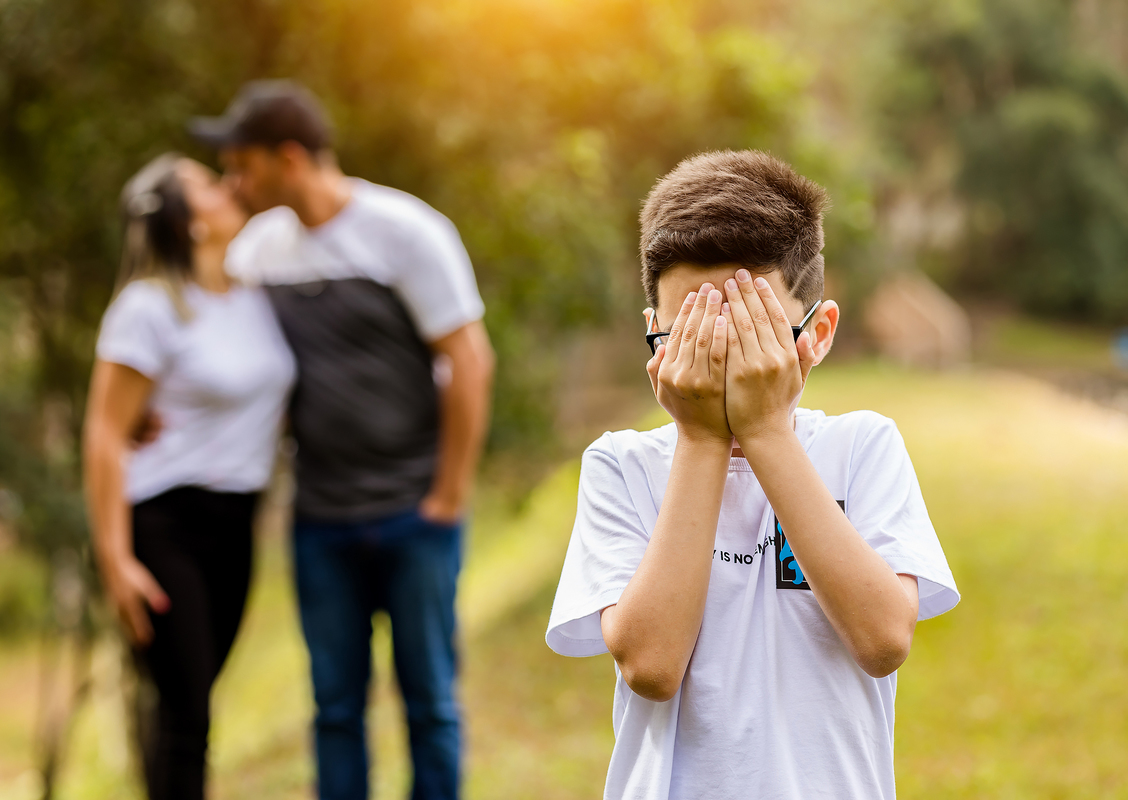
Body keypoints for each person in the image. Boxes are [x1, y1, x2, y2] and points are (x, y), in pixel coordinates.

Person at [545, 150, 959, 799]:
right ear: (654, 337)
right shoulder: (621, 466)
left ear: (816, 334)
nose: (722, 360)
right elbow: (651, 667)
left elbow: (882, 639)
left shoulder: (861, 448)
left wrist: (765, 430)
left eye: (752, 335)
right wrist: (701, 438)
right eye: (694, 339)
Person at [188, 81, 495, 800]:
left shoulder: (405, 231)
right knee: (334, 709)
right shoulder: (261, 250)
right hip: (320, 518)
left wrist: (449, 493)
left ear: (289, 158)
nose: (236, 182)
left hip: (415, 512)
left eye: (244, 165)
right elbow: (220, 342)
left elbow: (470, 360)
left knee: (430, 703)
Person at [83, 154, 296, 800]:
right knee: (187, 714)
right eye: (206, 183)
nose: (227, 184)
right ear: (186, 221)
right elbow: (103, 432)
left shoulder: (256, 295)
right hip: (164, 525)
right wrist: (116, 559)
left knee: (190, 699)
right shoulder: (148, 308)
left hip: (237, 523)